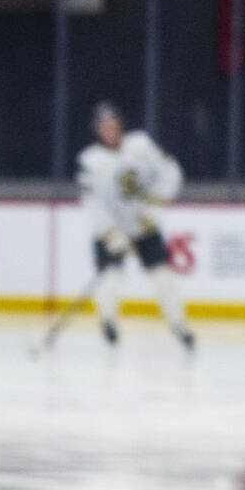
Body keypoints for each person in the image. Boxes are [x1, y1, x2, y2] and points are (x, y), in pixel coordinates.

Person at [76, 102, 195, 351]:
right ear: (97, 130)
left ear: (120, 124)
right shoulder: (90, 161)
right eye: (103, 125)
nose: (109, 129)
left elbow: (171, 172)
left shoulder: (140, 144)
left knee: (162, 276)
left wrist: (153, 207)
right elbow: (92, 204)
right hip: (112, 229)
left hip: (143, 225)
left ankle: (179, 326)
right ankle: (108, 323)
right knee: (110, 277)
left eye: (113, 123)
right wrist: (110, 233)